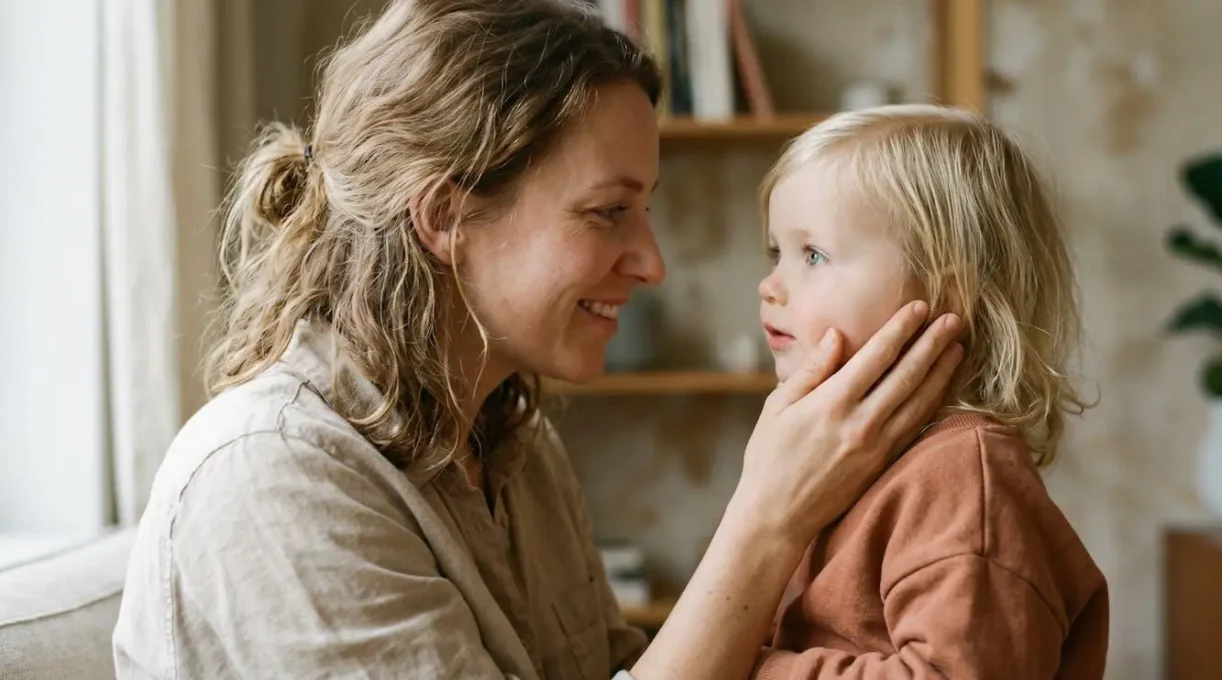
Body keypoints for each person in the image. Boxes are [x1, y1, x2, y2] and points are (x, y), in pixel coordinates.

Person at [111, 2, 964, 680]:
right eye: (607, 211)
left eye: (645, 209)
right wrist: (767, 518)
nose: (653, 263)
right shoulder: (274, 479)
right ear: (446, 216)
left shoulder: (518, 448)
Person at [750, 105, 1109, 679]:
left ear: (945, 291)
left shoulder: (961, 481)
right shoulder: (851, 467)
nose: (770, 286)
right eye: (776, 253)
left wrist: (754, 671)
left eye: (812, 255)